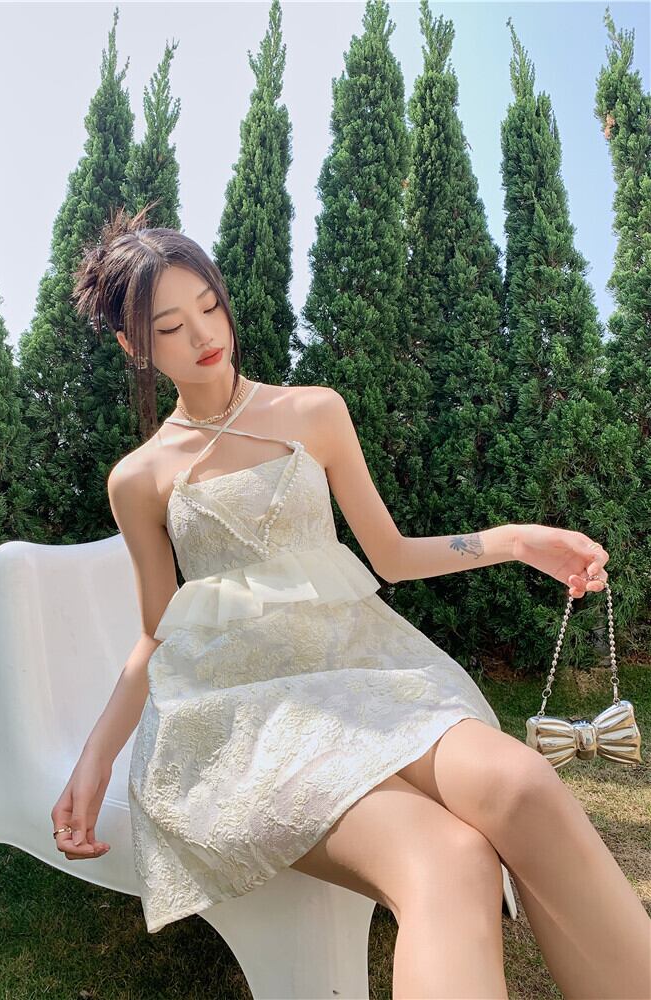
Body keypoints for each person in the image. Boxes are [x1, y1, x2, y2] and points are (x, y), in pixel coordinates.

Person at [52, 203, 650, 999]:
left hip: (365, 678)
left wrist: (513, 540)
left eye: (209, 306)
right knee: (448, 858)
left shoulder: (314, 412)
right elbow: (159, 633)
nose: (203, 335)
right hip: (242, 720)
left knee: (524, 787)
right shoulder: (140, 478)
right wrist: (95, 760)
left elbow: (390, 556)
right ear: (134, 345)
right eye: (169, 327)